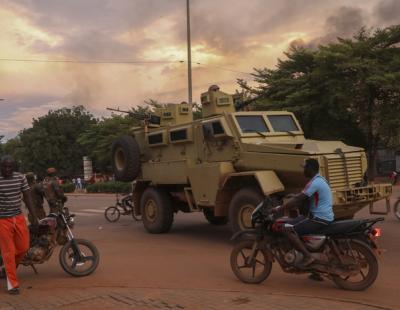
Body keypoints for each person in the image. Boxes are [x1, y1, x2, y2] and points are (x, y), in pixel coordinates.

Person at [270, 158, 334, 268]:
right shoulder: (320, 180)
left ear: (310, 168)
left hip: (317, 218)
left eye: (305, 168)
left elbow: (299, 199)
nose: (303, 170)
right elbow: (303, 196)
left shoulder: (315, 182)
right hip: (323, 216)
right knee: (295, 221)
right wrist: (293, 197)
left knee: (287, 228)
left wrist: (279, 208)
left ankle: (308, 256)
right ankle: (315, 268)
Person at [0, 155, 38, 294]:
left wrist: (34, 216)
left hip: (18, 217)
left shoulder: (20, 178)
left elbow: (27, 196)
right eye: (4, 166)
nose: (7, 169)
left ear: (14, 167)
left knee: (23, 248)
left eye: (10, 167)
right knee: (9, 252)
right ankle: (12, 284)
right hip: (2, 220)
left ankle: (7, 267)